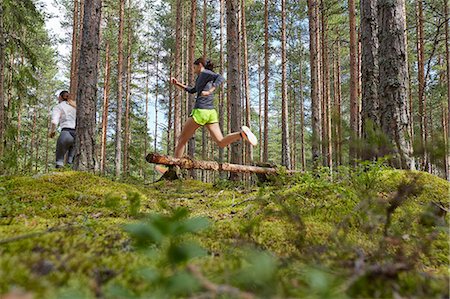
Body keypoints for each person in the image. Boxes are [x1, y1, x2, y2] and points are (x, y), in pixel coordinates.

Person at [170, 57, 257, 160]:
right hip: (211, 113)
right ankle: (241, 134)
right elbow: (192, 90)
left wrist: (210, 91)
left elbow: (220, 77)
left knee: (182, 140)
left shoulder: (205, 73)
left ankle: (174, 167)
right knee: (220, 142)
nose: (193, 70)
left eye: (194, 67)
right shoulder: (201, 78)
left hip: (201, 111)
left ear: (200, 65)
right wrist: (177, 83)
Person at [49, 91, 77, 169]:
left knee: (59, 161)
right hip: (77, 135)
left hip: (66, 133)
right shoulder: (75, 106)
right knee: (71, 162)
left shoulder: (58, 107)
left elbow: (54, 121)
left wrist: (52, 131)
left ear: (60, 97)